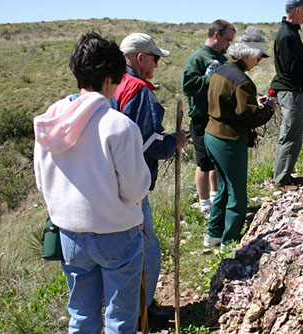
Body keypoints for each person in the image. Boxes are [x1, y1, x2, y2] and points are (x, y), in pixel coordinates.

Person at [34, 32, 150, 333]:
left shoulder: (49, 121)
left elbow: (41, 181)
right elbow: (136, 189)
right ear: (112, 78)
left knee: (82, 316)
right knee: (119, 319)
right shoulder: (118, 125)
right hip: (116, 233)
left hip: (69, 233)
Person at [109, 32, 187, 330]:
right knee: (146, 249)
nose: (155, 65)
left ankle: (136, 306)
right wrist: (173, 141)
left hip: (106, 181)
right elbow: (145, 143)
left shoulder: (110, 84)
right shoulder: (138, 90)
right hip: (131, 185)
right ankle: (140, 310)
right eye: (154, 59)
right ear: (139, 58)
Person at [204, 26, 276, 249]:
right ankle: (230, 242)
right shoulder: (242, 81)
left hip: (211, 135)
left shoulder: (220, 70)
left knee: (224, 188)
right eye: (258, 57)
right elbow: (248, 116)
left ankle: (213, 234)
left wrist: (255, 103)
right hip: (229, 140)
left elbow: (230, 104)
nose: (259, 62)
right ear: (248, 55)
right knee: (237, 193)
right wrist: (268, 109)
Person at [181, 20, 236, 217]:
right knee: (204, 162)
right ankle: (204, 204)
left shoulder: (222, 58)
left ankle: (215, 198)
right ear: (215, 35)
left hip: (220, 118)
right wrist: (212, 79)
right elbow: (188, 85)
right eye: (227, 40)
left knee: (217, 161)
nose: (228, 45)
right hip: (202, 118)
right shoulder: (198, 58)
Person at [270, 0, 303, 192]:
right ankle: (281, 180)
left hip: (294, 91)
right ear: (298, 10)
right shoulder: (286, 35)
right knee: (290, 135)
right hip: (291, 91)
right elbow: (291, 68)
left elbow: (294, 62)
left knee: (293, 134)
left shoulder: (290, 33)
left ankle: (284, 175)